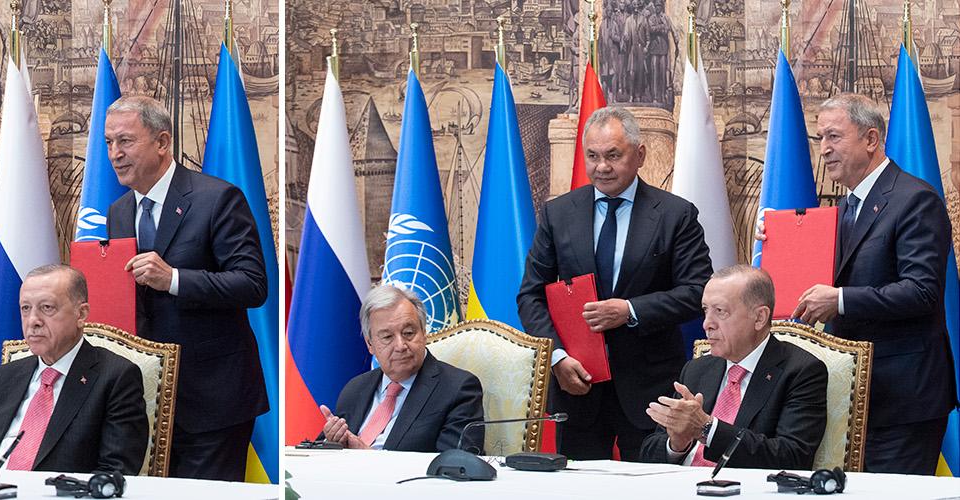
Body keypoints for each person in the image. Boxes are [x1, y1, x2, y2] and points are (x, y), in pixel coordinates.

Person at [758, 93, 956, 474]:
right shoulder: (845, 208)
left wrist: (841, 300)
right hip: (851, 395)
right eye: (819, 139)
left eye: (834, 137)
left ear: (870, 139)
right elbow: (815, 277)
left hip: (903, 400)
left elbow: (922, 291)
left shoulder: (915, 199)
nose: (824, 150)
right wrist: (776, 241)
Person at [517, 106, 713, 461]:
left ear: (639, 155)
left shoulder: (675, 215)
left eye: (613, 155)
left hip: (650, 389)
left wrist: (630, 311)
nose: (601, 167)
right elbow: (531, 295)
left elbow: (698, 291)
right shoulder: (558, 213)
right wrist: (557, 357)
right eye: (592, 156)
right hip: (577, 384)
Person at [104, 95, 268, 480]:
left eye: (125, 141)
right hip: (146, 400)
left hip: (212, 400)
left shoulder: (217, 199)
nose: (115, 153)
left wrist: (173, 279)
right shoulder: (119, 212)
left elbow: (252, 284)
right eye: (109, 142)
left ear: (162, 143)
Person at [0, 264, 148, 474]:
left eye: (47, 307)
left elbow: (114, 472)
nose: (33, 321)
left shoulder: (116, 377)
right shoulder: (5, 376)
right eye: (25, 308)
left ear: (81, 314)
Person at [640, 265, 827, 469]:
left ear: (759, 318)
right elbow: (651, 453)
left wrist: (706, 428)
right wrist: (677, 444)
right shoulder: (697, 369)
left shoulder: (801, 371)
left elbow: (792, 457)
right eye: (705, 310)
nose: (706, 324)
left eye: (720, 311)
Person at [319, 284, 484, 453]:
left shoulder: (458, 389)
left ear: (424, 333)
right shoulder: (355, 388)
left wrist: (368, 457)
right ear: (370, 345)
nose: (400, 345)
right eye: (387, 337)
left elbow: (456, 465)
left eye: (408, 333)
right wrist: (331, 439)